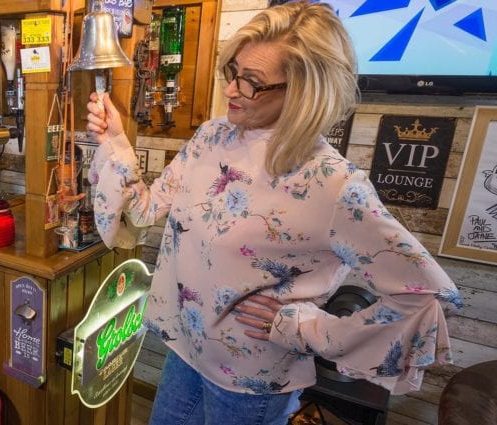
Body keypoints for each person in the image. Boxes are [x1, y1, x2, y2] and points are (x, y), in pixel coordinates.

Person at [85, 1, 463, 424]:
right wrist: (116, 142)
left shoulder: (331, 183)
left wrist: (307, 329)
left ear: (304, 90)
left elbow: (424, 295)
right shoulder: (212, 137)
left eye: (251, 82)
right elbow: (145, 210)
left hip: (250, 378)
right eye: (233, 72)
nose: (231, 90)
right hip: (183, 349)